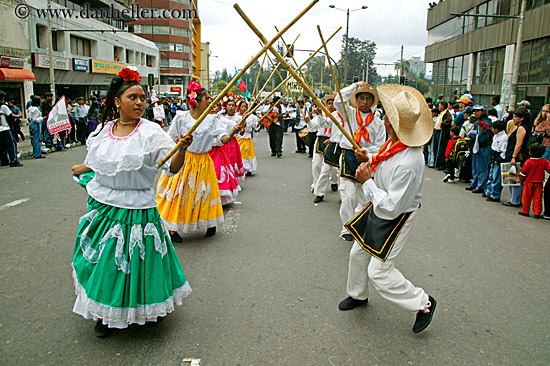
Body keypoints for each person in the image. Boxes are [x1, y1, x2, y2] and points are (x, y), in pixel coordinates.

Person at [70, 67, 192, 337]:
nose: (139, 103)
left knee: (140, 264)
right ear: (117, 101)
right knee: (106, 264)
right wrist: (81, 168)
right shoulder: (103, 131)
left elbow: (172, 167)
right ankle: (104, 315)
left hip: (139, 208)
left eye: (143, 99)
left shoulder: (152, 132)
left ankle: (147, 308)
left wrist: (181, 148)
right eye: (133, 97)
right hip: (105, 208)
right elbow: (97, 164)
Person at [339, 84, 436, 334]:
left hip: (395, 217)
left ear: (393, 124)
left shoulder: (409, 162)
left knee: (379, 271)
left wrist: (367, 182)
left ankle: (423, 303)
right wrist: (369, 158)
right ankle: (358, 295)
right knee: (356, 254)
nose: (385, 120)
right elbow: (382, 158)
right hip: (378, 205)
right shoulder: (394, 145)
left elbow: (392, 207)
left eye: (389, 117)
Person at [157, 81, 232, 239]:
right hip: (184, 160)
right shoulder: (181, 118)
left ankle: (209, 222)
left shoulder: (213, 120)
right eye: (207, 98)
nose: (210, 101)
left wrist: (232, 134)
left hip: (204, 161)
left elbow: (222, 139)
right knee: (181, 193)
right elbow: (170, 138)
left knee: (205, 193)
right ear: (196, 100)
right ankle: (173, 228)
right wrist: (169, 154)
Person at [334, 81, 385, 241]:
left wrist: (366, 153)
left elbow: (379, 146)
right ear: (356, 100)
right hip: (348, 157)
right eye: (361, 98)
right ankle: (347, 228)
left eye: (367, 99)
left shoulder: (378, 123)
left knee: (365, 198)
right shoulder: (348, 114)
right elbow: (337, 101)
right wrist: (354, 86)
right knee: (348, 196)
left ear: (372, 102)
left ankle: (359, 225)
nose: (364, 102)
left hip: (366, 161)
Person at [503, 108, 532, 208]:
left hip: (516, 156)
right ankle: (517, 199)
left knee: (514, 178)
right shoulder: (527, 127)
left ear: (522, 118)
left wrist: (513, 157)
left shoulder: (521, 129)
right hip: (519, 155)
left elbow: (519, 144)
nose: (513, 119)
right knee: (515, 178)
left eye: (516, 117)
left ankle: (515, 200)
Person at [313, 94, 339, 202]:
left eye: (334, 103)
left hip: (342, 146)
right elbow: (324, 124)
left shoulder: (349, 115)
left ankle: (340, 191)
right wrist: (319, 115)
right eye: (329, 103)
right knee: (323, 168)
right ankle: (319, 193)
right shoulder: (335, 116)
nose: (331, 106)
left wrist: (334, 138)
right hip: (329, 143)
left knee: (339, 171)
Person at [518, 143, 550, 218]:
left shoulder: (528, 162)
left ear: (531, 153)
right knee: (538, 198)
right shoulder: (544, 161)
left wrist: (521, 180)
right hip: (539, 182)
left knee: (526, 197)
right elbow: (549, 169)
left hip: (529, 182)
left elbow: (523, 173)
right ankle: (537, 212)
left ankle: (525, 211)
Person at [466, 106, 492, 194]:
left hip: (483, 147)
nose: (475, 113)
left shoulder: (486, 122)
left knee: (482, 167)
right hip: (475, 146)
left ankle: (481, 185)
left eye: (478, 111)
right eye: (474, 111)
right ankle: (475, 182)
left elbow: (486, 137)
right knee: (475, 166)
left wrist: (476, 136)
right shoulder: (477, 121)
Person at [485, 121, 508, 202]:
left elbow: (504, 150)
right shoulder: (496, 135)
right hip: (493, 155)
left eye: (493, 128)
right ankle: (489, 192)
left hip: (499, 157)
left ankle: (495, 194)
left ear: (497, 129)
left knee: (496, 177)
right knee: (491, 175)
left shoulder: (504, 137)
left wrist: (499, 159)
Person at [236, 99, 259, 176]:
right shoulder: (236, 116)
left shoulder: (252, 117)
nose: (244, 108)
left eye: (245, 107)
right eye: (242, 107)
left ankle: (249, 168)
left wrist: (259, 122)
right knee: (240, 154)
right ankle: (241, 168)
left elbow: (256, 127)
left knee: (248, 154)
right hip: (239, 137)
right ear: (239, 108)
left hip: (248, 137)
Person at [0, 91, 23, 167]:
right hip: (5, 128)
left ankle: (4, 161)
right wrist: (18, 116)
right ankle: (14, 160)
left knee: (2, 146)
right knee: (11, 145)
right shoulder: (3, 106)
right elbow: (11, 115)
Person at [434, 101, 453, 170]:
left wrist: (443, 123)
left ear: (443, 106)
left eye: (440, 105)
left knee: (441, 149)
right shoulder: (441, 113)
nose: (439, 107)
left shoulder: (447, 113)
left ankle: (442, 164)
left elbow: (449, 120)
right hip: (437, 131)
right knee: (436, 148)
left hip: (442, 133)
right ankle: (437, 163)